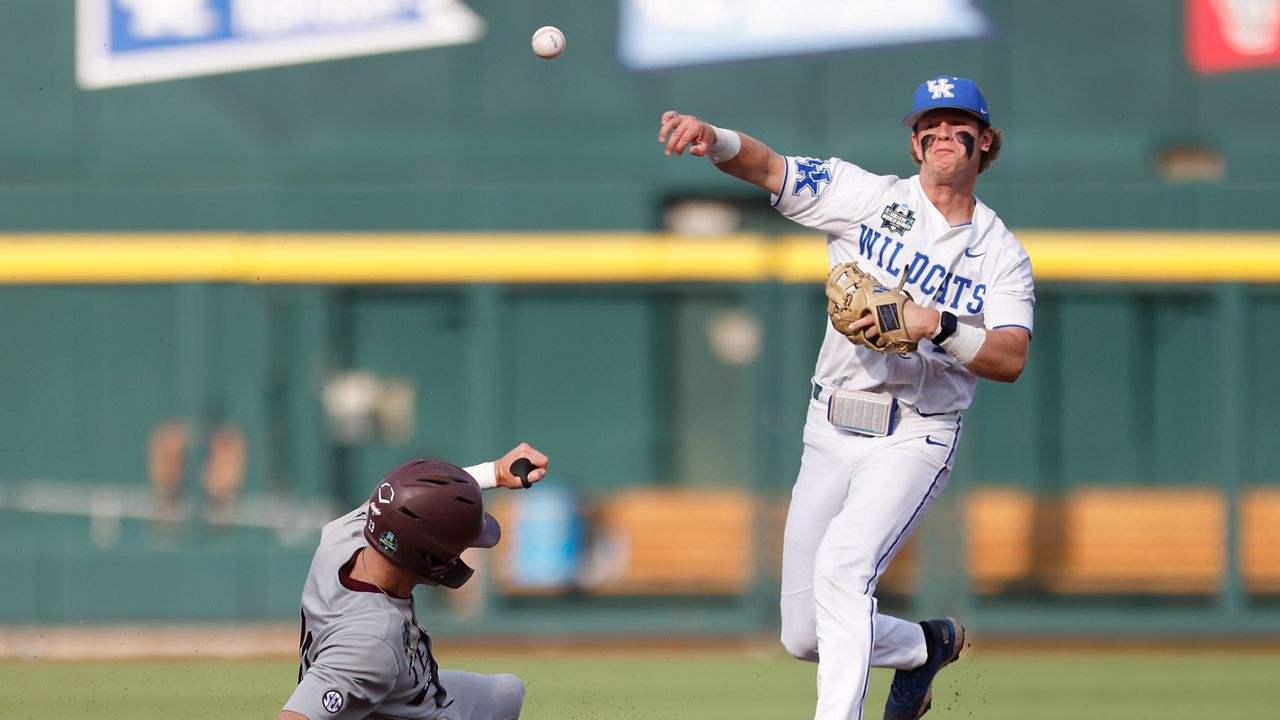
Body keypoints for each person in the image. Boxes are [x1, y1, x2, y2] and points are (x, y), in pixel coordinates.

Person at [658, 76, 1034, 720]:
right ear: (914, 142)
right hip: (831, 423)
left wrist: (934, 323)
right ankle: (925, 645)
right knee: (803, 633)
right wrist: (711, 137)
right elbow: (769, 168)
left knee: (842, 569)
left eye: (959, 124)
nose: (944, 134)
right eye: (930, 125)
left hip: (916, 432)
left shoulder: (1001, 254)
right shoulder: (866, 197)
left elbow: (1010, 356)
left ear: (986, 140)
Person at [277, 442, 550, 720]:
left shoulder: (345, 538)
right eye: (460, 545)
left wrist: (495, 472)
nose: (464, 552)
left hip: (404, 690)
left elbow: (397, 502)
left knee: (508, 692)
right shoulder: (370, 643)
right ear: (428, 558)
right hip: (413, 709)